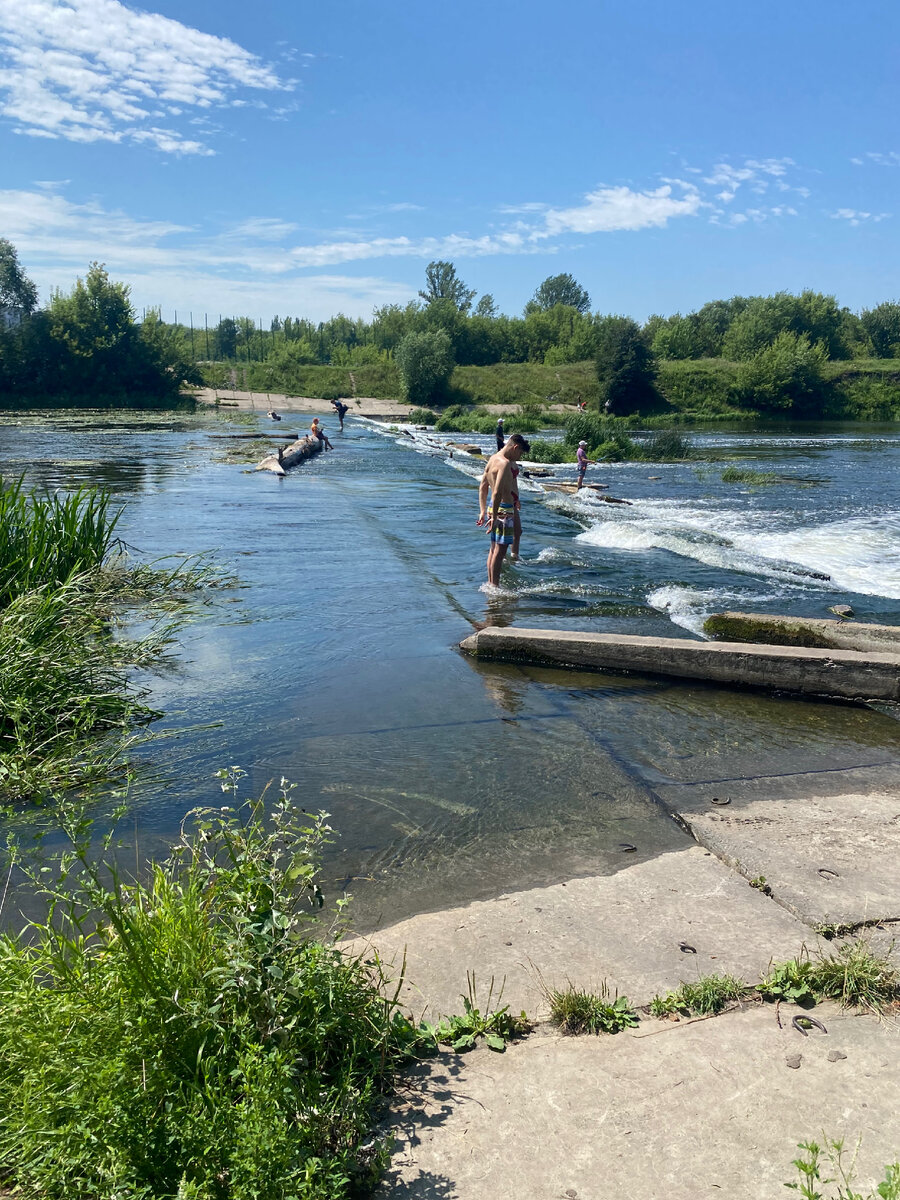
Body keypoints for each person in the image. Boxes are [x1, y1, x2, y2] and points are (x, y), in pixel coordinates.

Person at [477, 433, 530, 586]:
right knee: (499, 552)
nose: (519, 457)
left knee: (493, 549)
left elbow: (482, 486)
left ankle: (491, 584)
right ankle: (494, 586)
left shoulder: (493, 458)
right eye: (519, 453)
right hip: (504, 509)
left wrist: (483, 511)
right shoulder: (505, 463)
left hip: (495, 508)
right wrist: (494, 517)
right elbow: (497, 492)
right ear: (515, 447)